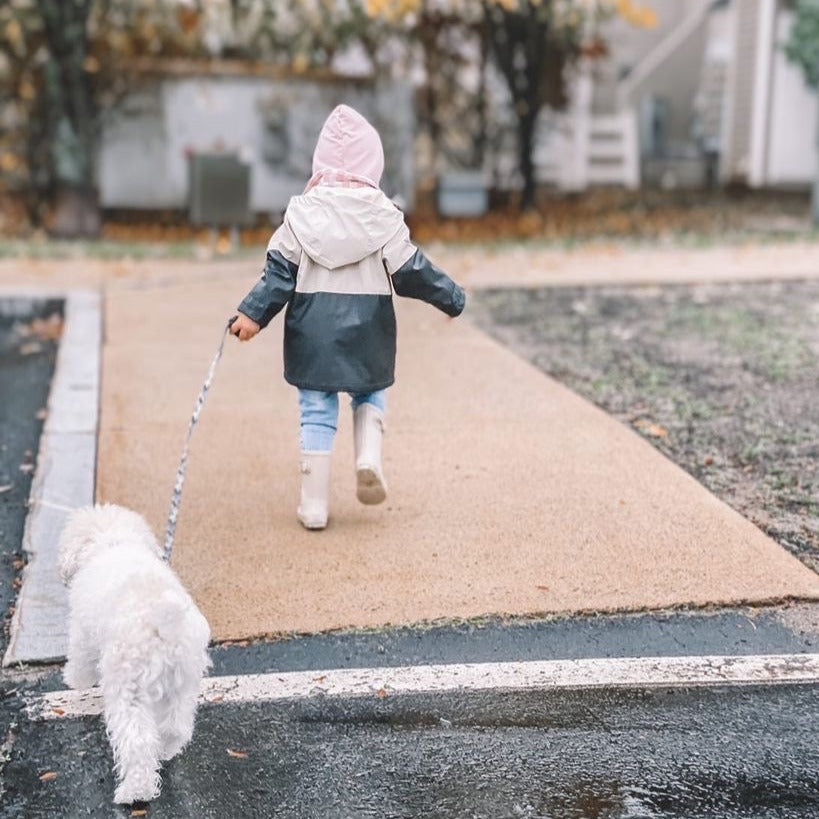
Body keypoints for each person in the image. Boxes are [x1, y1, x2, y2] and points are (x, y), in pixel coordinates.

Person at [231, 104, 465, 530]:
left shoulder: (299, 217)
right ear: (372, 164)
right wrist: (451, 298)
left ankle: (315, 506)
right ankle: (368, 456)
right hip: (369, 328)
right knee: (370, 392)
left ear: (320, 162)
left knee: (316, 412)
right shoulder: (383, 217)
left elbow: (277, 276)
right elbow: (413, 270)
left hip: (312, 332)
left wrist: (251, 315)